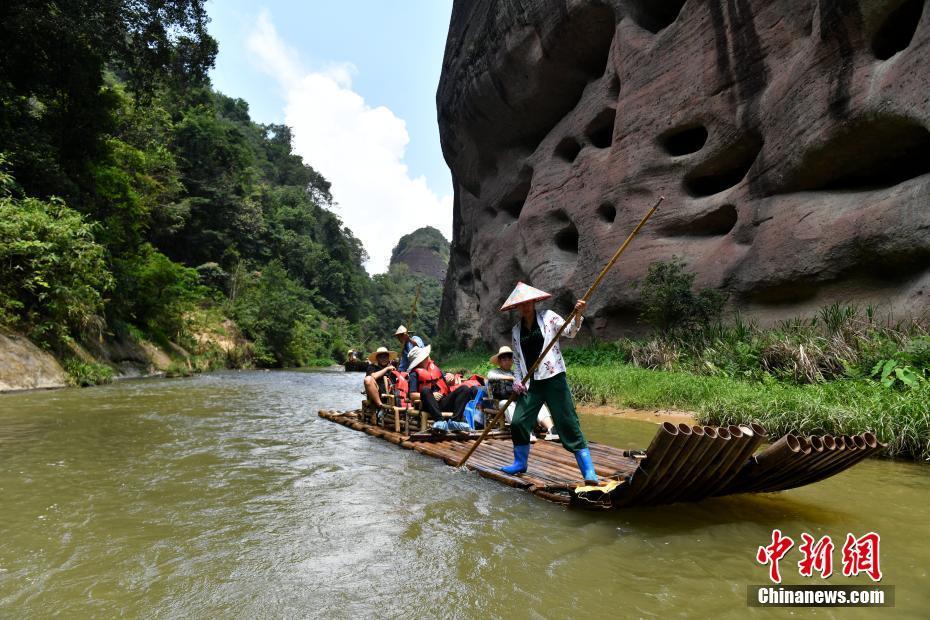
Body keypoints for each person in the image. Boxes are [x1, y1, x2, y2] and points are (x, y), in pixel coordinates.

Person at [497, 282, 599, 484]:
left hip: (554, 380)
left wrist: (577, 314)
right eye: (521, 304)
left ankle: (588, 471)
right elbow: (517, 359)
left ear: (534, 302)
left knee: (568, 422)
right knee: (518, 421)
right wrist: (518, 380)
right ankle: (520, 463)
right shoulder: (516, 330)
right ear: (516, 307)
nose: (525, 306)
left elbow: (570, 331)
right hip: (531, 383)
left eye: (528, 302)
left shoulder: (549, 317)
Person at [487, 345, 559, 441]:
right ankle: (524, 431)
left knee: (537, 403)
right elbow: (490, 376)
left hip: (520, 398)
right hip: (503, 400)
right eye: (504, 358)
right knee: (507, 404)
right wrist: (512, 379)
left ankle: (551, 429)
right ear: (499, 361)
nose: (507, 360)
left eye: (509, 358)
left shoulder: (516, 372)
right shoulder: (495, 372)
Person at [407, 345, 480, 424]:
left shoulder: (434, 369)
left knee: (464, 388)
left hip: (443, 401)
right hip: (428, 405)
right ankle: (440, 422)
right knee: (425, 390)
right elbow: (412, 395)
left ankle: (455, 422)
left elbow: (446, 383)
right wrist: (432, 395)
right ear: (421, 360)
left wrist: (451, 378)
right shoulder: (414, 374)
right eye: (426, 356)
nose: (428, 356)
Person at [363, 346, 398, 412]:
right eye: (381, 357)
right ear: (377, 358)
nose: (383, 359)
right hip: (378, 395)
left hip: (392, 394)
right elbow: (373, 377)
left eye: (385, 357)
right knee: (368, 379)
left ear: (388, 358)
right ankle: (380, 405)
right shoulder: (372, 367)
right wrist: (387, 369)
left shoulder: (394, 367)